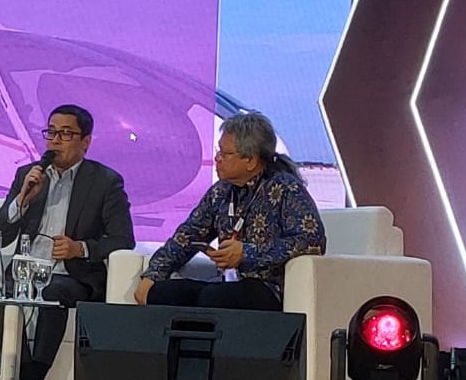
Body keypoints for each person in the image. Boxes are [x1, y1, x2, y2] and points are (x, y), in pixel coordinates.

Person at [0, 104, 134, 380]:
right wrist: (22, 200)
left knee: (53, 292)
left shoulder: (105, 181)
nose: (55, 140)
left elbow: (123, 240)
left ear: (86, 141)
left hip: (72, 275)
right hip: (25, 269)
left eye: (65, 134)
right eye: (51, 132)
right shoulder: (29, 175)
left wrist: (80, 248)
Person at [135, 111, 326, 310]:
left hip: (268, 288)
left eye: (225, 154)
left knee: (215, 297)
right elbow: (188, 235)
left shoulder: (286, 188)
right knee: (164, 293)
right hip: (225, 284)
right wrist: (153, 274)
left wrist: (247, 253)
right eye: (218, 152)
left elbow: (312, 241)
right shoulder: (220, 192)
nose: (217, 158)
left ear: (250, 160)